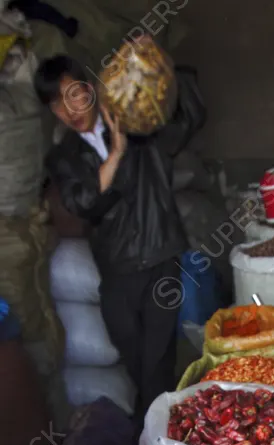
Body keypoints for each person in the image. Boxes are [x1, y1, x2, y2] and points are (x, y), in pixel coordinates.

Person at [35, 46, 205, 417]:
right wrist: (115, 155)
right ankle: (157, 429)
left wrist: (169, 71)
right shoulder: (63, 157)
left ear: (90, 89)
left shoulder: (141, 127)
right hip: (117, 267)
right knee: (129, 348)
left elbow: (190, 119)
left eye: (75, 96)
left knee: (157, 357)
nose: (71, 111)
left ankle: (151, 438)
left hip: (159, 254)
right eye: (58, 105)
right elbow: (84, 202)